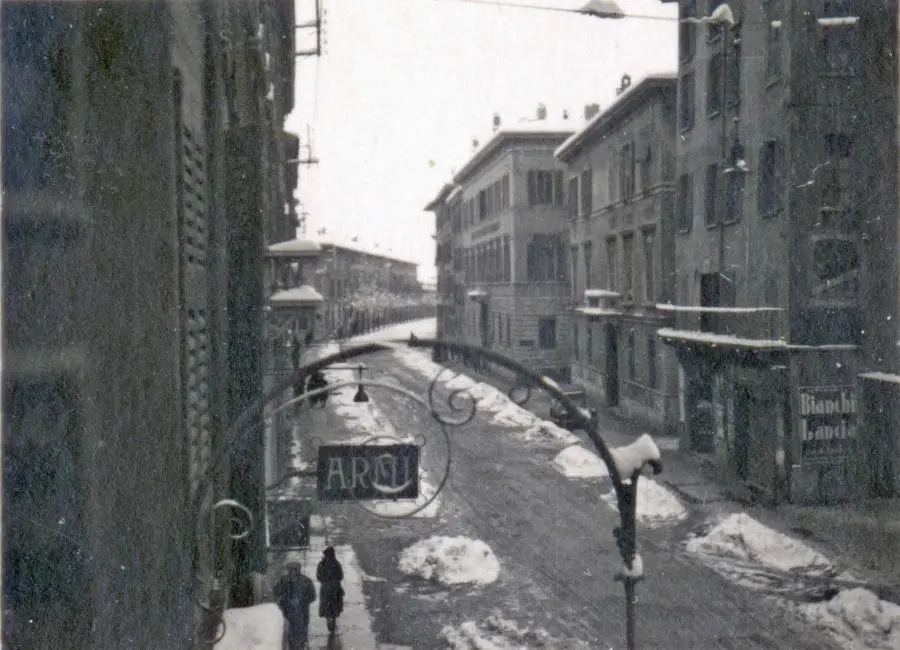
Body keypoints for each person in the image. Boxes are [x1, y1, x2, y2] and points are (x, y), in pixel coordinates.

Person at [273, 563, 317, 650]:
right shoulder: (285, 580)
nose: (293, 572)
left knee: (299, 634)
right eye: (291, 570)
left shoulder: (306, 581)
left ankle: (300, 645)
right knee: (293, 634)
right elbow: (277, 591)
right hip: (290, 613)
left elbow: (312, 596)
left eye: (294, 570)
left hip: (300, 613)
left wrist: (300, 601)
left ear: (298, 570)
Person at [316, 547, 345, 634]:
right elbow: (341, 576)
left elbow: (318, 576)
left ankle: (328, 617)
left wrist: (324, 581)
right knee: (335, 603)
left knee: (326, 603)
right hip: (335, 586)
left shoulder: (322, 564)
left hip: (325, 587)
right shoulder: (336, 564)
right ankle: (334, 617)